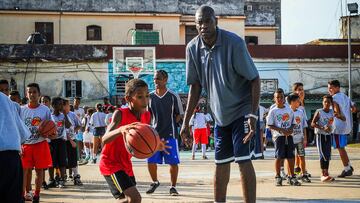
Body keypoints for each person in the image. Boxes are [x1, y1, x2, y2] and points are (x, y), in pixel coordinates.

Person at [180, 6, 260, 202]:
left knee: (243, 160)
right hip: (219, 114)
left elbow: (255, 79)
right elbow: (195, 88)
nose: (203, 26)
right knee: (220, 163)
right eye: (199, 22)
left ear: (216, 21)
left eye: (207, 21)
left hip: (241, 109)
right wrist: (185, 123)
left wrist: (253, 114)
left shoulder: (234, 43)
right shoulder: (192, 48)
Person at [99, 79, 168, 202]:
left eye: (147, 96)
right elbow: (104, 139)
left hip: (126, 164)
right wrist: (121, 129)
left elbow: (143, 138)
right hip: (111, 163)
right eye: (140, 97)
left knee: (129, 200)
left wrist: (156, 144)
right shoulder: (120, 114)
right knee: (135, 198)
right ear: (128, 99)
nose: (145, 100)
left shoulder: (146, 116)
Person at [146, 70, 184, 196]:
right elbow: (148, 115)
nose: (155, 81)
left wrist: (171, 123)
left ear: (165, 79)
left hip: (170, 135)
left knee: (173, 163)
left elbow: (180, 114)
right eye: (154, 79)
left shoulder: (173, 96)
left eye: (158, 79)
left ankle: (173, 187)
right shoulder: (150, 96)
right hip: (154, 136)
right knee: (151, 161)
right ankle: (155, 182)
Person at [21, 83, 53, 202]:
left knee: (39, 171)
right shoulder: (22, 109)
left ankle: (37, 195)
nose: (32, 94)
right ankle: (22, 194)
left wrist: (49, 133)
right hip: (26, 144)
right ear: (26, 94)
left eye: (34, 92)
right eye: (29, 92)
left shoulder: (45, 109)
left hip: (40, 143)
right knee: (24, 171)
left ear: (39, 94)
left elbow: (51, 127)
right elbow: (19, 127)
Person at [0, 92, 30, 203]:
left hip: (8, 155)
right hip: (10, 157)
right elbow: (23, 134)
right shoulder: (5, 99)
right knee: (12, 197)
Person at [267, 89, 301, 186]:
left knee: (290, 156)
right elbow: (270, 125)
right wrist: (281, 130)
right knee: (279, 156)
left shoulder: (289, 110)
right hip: (279, 137)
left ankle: (292, 177)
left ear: (284, 98)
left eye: (281, 97)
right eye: (277, 97)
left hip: (289, 136)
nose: (279, 99)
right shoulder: (273, 111)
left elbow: (294, 123)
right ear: (274, 99)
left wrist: (290, 129)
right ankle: (278, 177)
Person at [327, 80, 356, 177]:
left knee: (340, 148)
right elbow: (354, 107)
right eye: (329, 88)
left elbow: (335, 112)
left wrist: (336, 114)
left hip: (338, 127)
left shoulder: (333, 98)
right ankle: (348, 166)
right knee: (341, 147)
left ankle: (347, 168)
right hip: (346, 126)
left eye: (331, 88)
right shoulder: (345, 96)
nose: (329, 90)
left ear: (337, 88)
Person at [311, 95, 335, 182]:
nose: (326, 103)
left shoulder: (332, 112)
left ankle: (326, 173)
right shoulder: (319, 112)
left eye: (328, 102)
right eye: (325, 102)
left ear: (331, 103)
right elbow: (312, 124)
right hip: (320, 135)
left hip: (328, 135)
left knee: (328, 155)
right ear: (322, 102)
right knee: (322, 154)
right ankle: (322, 173)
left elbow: (340, 117)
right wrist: (322, 127)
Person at [287, 93, 310, 183]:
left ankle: (303, 174)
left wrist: (305, 138)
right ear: (292, 102)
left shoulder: (300, 112)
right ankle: (290, 175)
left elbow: (304, 126)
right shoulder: (287, 112)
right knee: (290, 158)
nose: (299, 102)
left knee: (302, 156)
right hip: (290, 139)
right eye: (297, 101)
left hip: (299, 139)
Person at [48, 97, 68, 189]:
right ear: (53, 105)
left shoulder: (63, 115)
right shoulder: (50, 116)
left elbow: (68, 125)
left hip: (61, 141)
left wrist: (65, 115)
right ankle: (51, 180)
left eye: (62, 104)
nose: (61, 106)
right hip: (52, 141)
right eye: (59, 104)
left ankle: (62, 179)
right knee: (51, 162)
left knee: (62, 162)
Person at [63, 99, 83, 185]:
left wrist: (74, 130)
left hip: (72, 139)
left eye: (67, 105)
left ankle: (76, 176)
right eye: (66, 105)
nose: (68, 106)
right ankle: (62, 177)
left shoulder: (72, 115)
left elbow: (79, 125)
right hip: (62, 140)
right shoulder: (59, 115)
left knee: (73, 158)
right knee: (62, 160)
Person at [73, 97, 86, 161]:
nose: (76, 103)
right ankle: (75, 157)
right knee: (75, 142)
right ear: (74, 101)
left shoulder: (81, 110)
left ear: (79, 102)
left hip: (80, 129)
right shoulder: (71, 109)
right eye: (75, 101)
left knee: (80, 142)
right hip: (73, 129)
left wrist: (84, 126)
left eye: (78, 101)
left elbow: (84, 118)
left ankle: (80, 157)